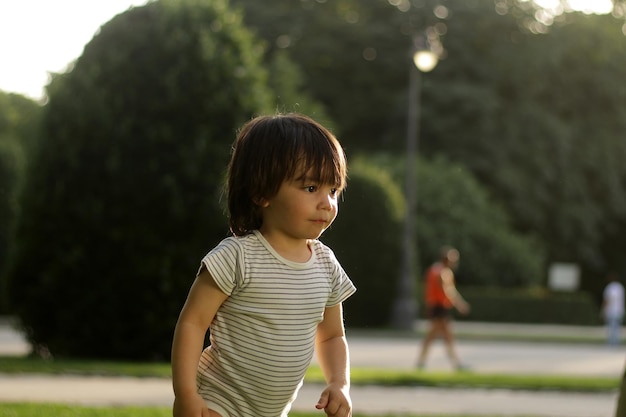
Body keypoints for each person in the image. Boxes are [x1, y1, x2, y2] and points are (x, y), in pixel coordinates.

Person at [171, 113, 356, 417]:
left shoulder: (326, 265)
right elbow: (192, 323)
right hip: (217, 403)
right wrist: (187, 394)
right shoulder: (237, 256)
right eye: (311, 188)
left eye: (333, 190)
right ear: (262, 192)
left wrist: (339, 383)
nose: (327, 203)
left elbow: (333, 335)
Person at [416, 246, 470, 371]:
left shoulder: (435, 270)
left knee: (440, 336)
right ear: (447, 259)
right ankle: (456, 364)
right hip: (439, 308)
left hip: (436, 307)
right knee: (443, 336)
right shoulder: (442, 272)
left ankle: (422, 363)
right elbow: (447, 291)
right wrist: (460, 304)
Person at [602, 272, 624, 347]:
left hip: (611, 310)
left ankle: (612, 343)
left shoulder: (610, 287)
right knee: (616, 327)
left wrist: (604, 309)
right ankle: (616, 342)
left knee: (611, 327)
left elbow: (608, 299)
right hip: (619, 310)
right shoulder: (620, 287)